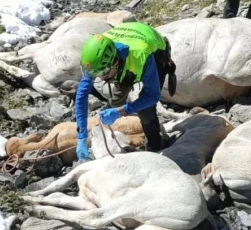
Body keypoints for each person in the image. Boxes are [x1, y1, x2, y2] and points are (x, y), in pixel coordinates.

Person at [74, 22, 176, 162]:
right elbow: (81, 96)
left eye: (102, 73)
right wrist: (81, 136)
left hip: (154, 52)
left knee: (145, 110)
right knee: (116, 100)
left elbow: (152, 96)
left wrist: (123, 111)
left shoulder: (141, 56)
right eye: (95, 74)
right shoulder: (98, 59)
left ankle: (155, 146)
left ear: (115, 62)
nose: (99, 77)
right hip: (126, 53)